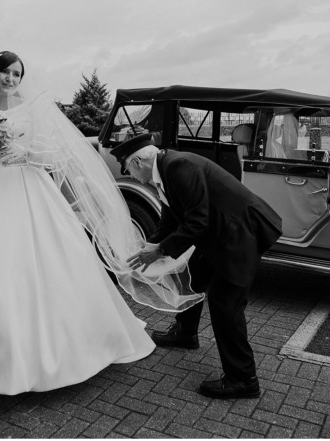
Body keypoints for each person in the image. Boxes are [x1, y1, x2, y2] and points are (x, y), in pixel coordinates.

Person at [0, 51, 156, 395]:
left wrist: (26, 155)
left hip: (30, 189)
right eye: (6, 72)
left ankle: (64, 351)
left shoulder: (34, 110)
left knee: (49, 265)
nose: (11, 79)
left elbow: (53, 155)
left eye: (17, 73)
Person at [111, 133, 282, 400]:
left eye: (128, 169)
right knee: (192, 275)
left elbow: (197, 222)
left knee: (226, 303)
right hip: (219, 233)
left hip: (239, 233)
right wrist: (149, 246)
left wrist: (160, 250)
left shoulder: (179, 167)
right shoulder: (164, 170)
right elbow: (170, 220)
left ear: (137, 161)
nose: (130, 176)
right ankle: (186, 333)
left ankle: (242, 379)